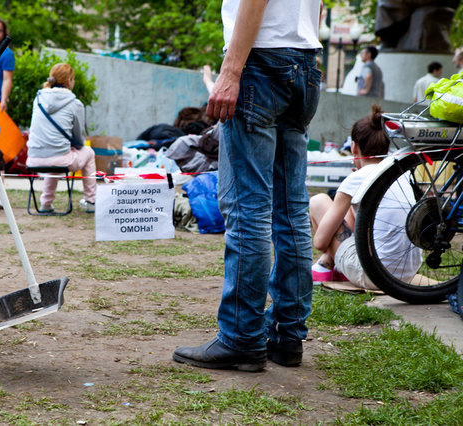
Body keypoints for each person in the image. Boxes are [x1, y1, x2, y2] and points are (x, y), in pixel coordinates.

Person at [172, 0, 323, 371]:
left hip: (260, 63)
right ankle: (288, 336)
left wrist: (231, 70)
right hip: (303, 62)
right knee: (291, 212)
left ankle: (242, 339)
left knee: (248, 209)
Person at [309, 105, 422, 290]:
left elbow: (320, 242)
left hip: (374, 277)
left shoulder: (357, 178)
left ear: (354, 147)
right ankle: (334, 265)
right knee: (354, 208)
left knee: (318, 201)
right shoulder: (401, 173)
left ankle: (326, 265)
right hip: (406, 277)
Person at [26, 63, 96, 213]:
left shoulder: (38, 100)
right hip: (60, 159)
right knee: (88, 152)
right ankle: (91, 201)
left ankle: (46, 203)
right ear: (69, 81)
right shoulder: (75, 104)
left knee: (57, 153)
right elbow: (79, 139)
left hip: (33, 158)